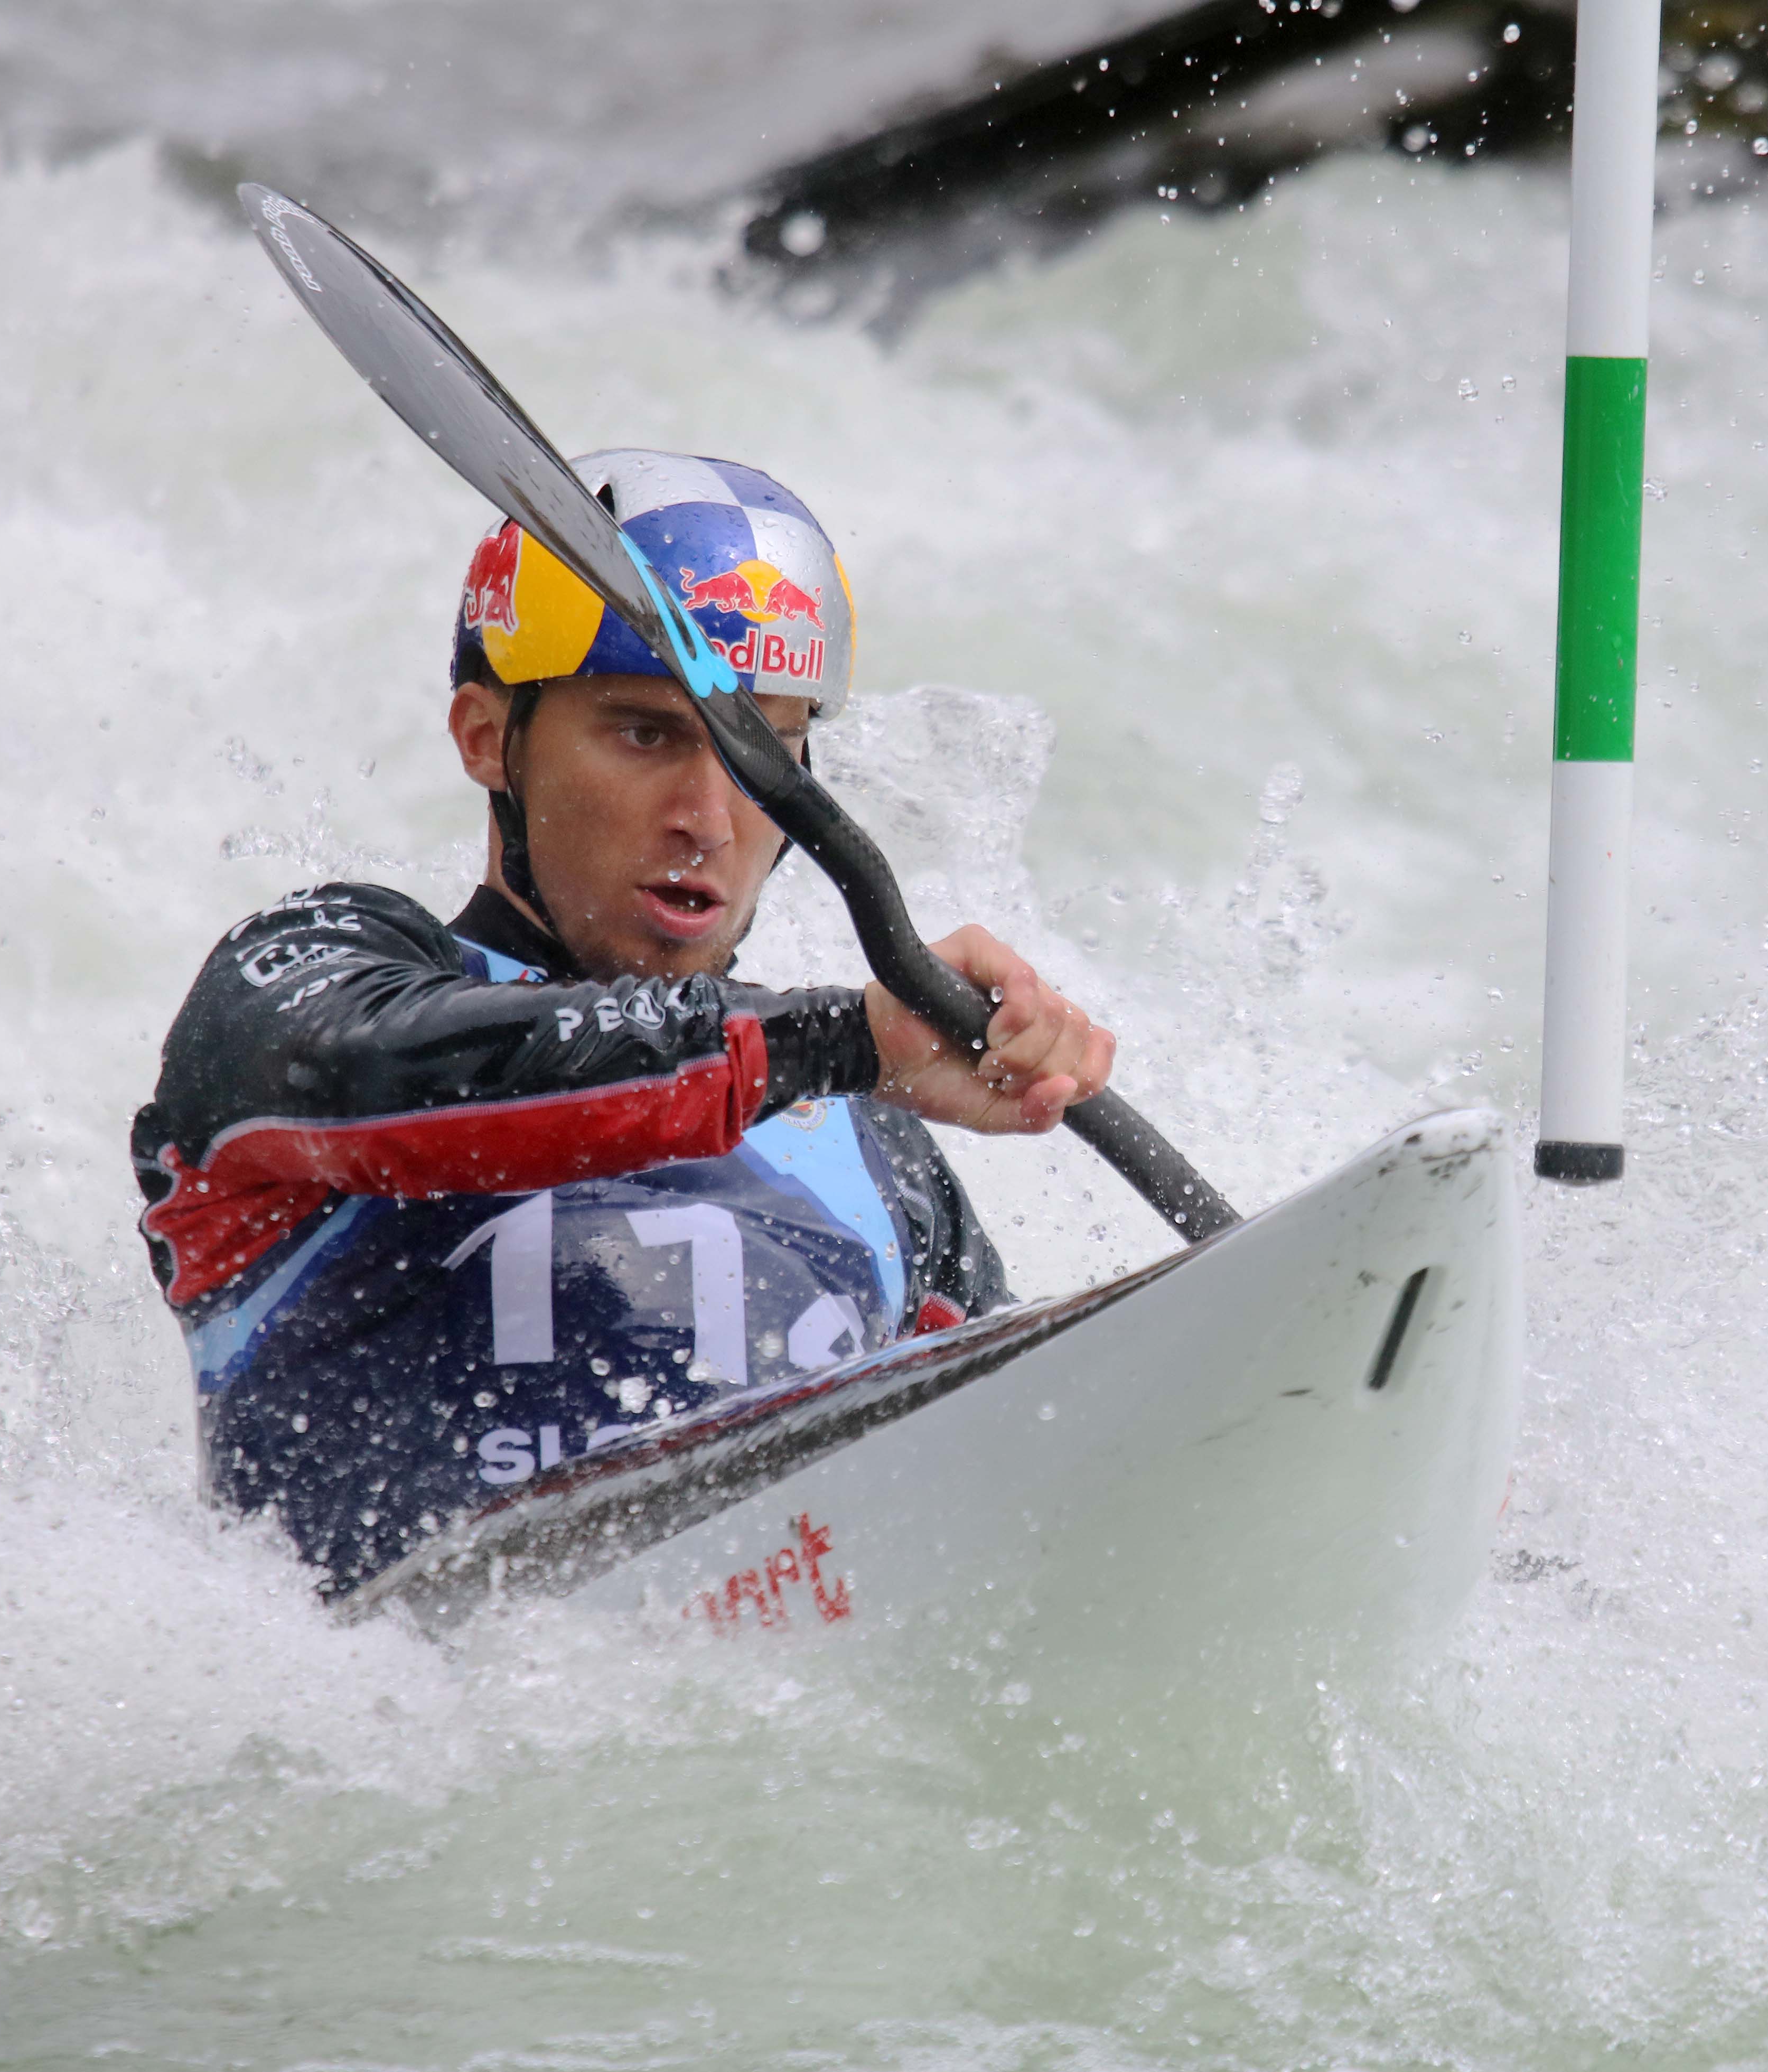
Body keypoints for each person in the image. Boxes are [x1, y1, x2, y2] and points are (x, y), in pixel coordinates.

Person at [129, 450, 1112, 1595]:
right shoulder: (304, 985)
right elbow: (393, 1073)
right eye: (646, 734)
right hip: (382, 1729)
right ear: (488, 736)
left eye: (759, 752)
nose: (706, 815)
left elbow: (1017, 1484)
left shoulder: (870, 1142)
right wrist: (832, 1044)